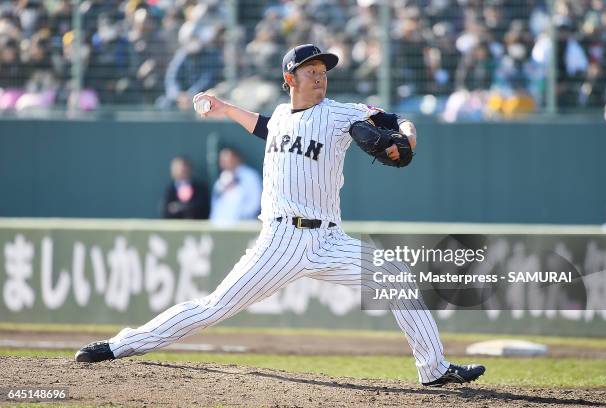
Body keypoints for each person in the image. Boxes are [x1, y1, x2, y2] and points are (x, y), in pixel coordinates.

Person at [75, 44, 485, 387]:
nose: (320, 76)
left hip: (329, 240)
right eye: (311, 70)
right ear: (289, 78)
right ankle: (121, 345)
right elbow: (266, 126)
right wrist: (223, 107)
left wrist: (408, 135)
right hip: (279, 242)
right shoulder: (282, 117)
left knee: (393, 274)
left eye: (323, 70)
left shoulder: (341, 113)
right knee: (214, 306)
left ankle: (433, 370)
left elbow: (394, 120)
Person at [210, 148, 262, 223]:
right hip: (221, 226)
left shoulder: (250, 176)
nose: (225, 162)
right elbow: (216, 205)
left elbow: (255, 202)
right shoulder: (221, 179)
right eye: (222, 160)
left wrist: (241, 217)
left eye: (228, 159)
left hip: (245, 225)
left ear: (237, 158)